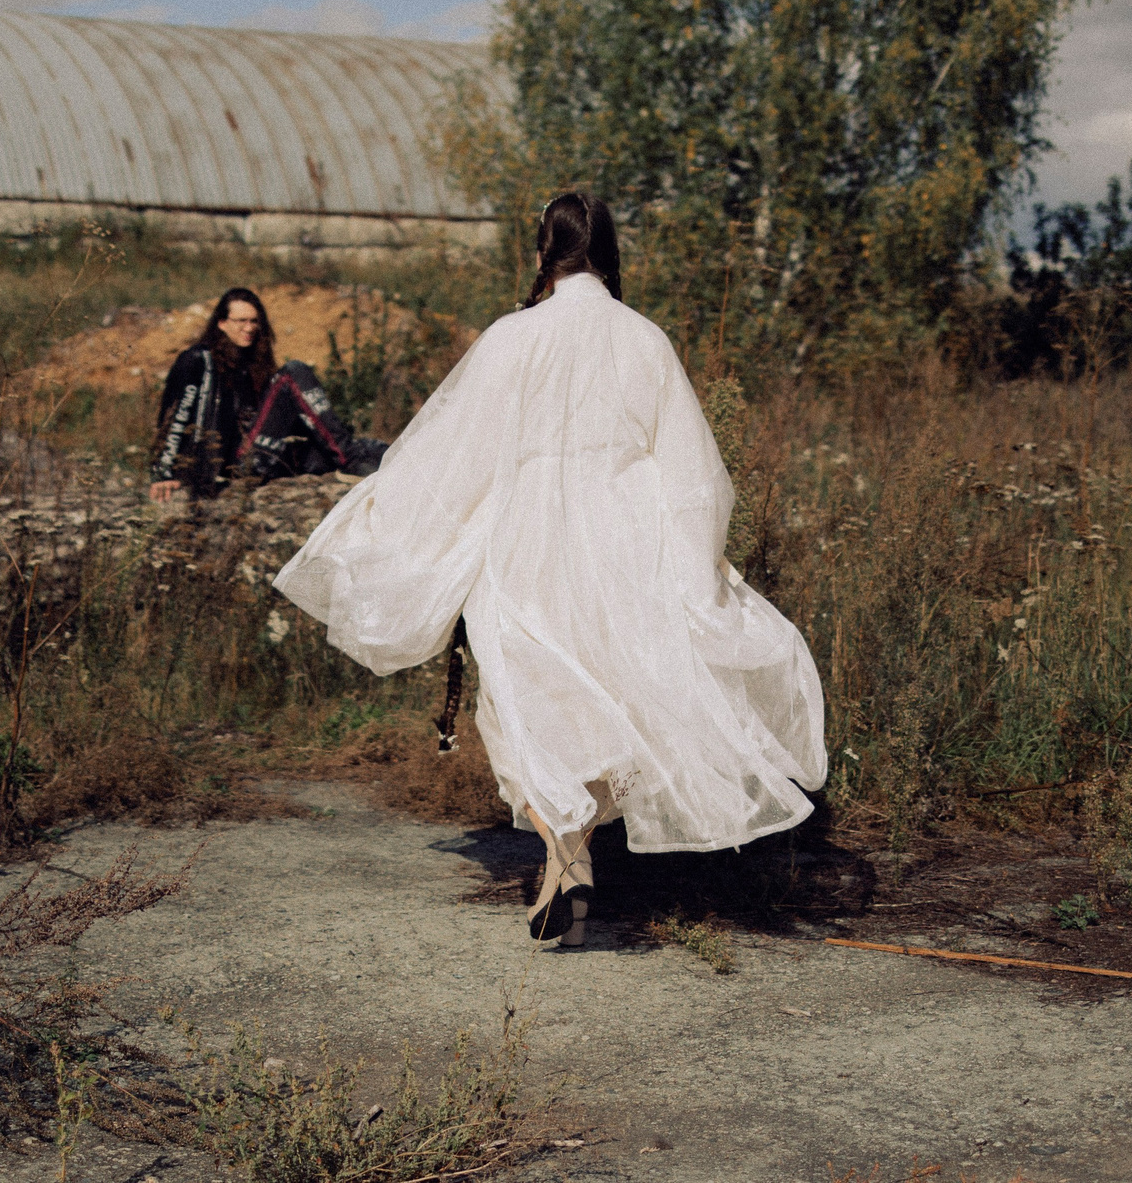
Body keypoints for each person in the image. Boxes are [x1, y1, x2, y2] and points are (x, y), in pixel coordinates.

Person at [274, 193, 828, 946]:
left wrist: (398, 519)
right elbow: (695, 472)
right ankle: (567, 855)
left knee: (521, 706)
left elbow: (457, 450)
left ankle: (564, 851)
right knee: (609, 693)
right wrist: (699, 571)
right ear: (609, 253)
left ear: (544, 253)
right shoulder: (645, 340)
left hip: (526, 541)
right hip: (625, 542)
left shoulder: (513, 337)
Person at [148, 287, 386, 503]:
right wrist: (164, 473)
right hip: (236, 463)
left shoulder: (252, 364)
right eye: (241, 320)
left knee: (366, 451)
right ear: (221, 323)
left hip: (265, 453)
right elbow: (174, 417)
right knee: (293, 372)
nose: (249, 328)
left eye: (254, 321)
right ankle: (350, 458)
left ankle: (368, 454)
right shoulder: (197, 361)